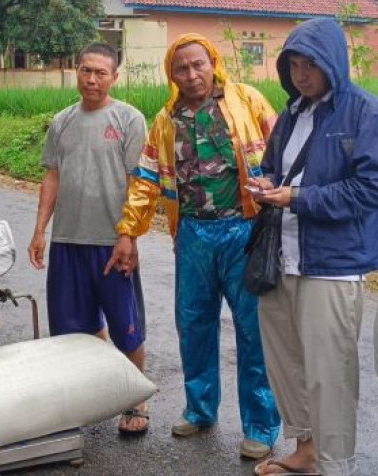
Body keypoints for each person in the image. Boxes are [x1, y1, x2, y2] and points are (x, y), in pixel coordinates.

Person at [105, 33, 280, 458]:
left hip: (244, 230)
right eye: (181, 68)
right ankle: (200, 410)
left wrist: (278, 187)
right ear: (173, 75)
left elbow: (281, 151)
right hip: (193, 235)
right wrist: (128, 231)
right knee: (194, 325)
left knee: (254, 331)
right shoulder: (166, 120)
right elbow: (146, 181)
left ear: (213, 62)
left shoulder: (247, 100)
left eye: (198, 64)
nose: (191, 73)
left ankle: (260, 426)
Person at [249, 18, 378, 476]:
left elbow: (375, 188)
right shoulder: (292, 114)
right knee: (286, 362)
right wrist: (268, 181)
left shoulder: (366, 113)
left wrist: (298, 197)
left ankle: (337, 465)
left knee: (329, 373)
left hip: (332, 264)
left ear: (333, 62)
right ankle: (307, 450)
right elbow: (276, 166)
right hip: (282, 255)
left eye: (309, 64)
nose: (301, 75)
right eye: (293, 65)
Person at [27, 42, 149, 434]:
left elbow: (139, 183)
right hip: (68, 240)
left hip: (112, 241)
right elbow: (52, 177)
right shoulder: (62, 121)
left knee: (125, 326)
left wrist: (129, 236)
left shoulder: (129, 119)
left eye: (100, 72)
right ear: (75, 71)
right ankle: (87, 396)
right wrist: (40, 231)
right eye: (85, 70)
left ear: (114, 76)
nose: (92, 79)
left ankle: (135, 400)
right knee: (71, 327)